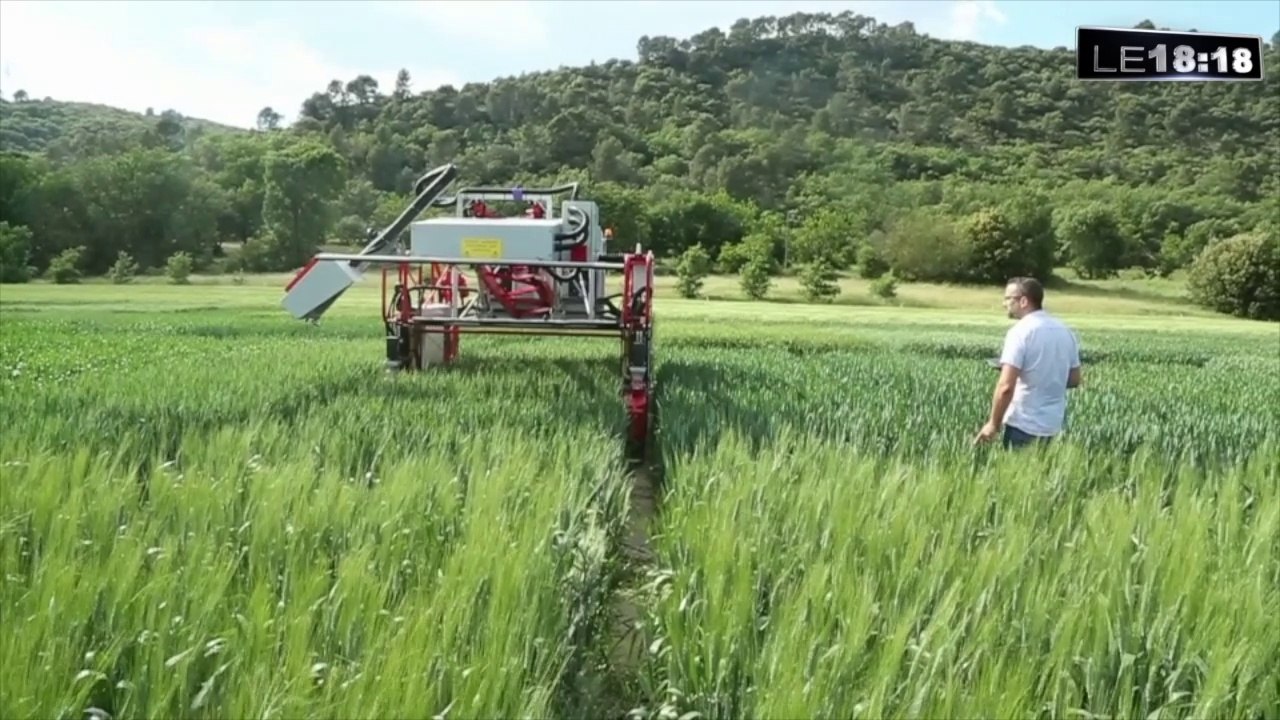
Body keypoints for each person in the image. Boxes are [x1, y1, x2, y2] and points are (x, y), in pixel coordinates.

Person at [973, 277, 1082, 449]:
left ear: (1023, 301)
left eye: (1009, 298)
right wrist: (1044, 373)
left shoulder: (1020, 332)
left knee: (1015, 474)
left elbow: (1005, 388)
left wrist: (993, 424)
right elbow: (1074, 379)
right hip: (1053, 425)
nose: (1004, 303)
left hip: (1023, 424)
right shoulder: (1066, 331)